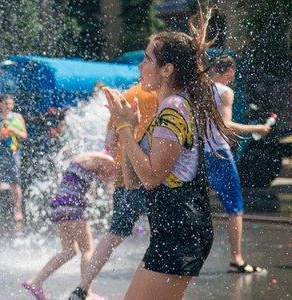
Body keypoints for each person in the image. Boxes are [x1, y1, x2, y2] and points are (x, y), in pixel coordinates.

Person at [104, 6, 227, 299]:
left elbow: (151, 178)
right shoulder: (171, 105)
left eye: (147, 59)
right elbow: (134, 182)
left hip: (181, 231)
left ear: (167, 69)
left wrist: (122, 128)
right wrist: (131, 130)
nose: (140, 66)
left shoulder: (174, 108)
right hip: (172, 231)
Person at [75, 84, 158, 299]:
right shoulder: (163, 94)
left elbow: (110, 143)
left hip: (123, 172)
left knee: (115, 233)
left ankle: (83, 287)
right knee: (164, 233)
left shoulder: (126, 96)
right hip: (151, 169)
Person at [21, 152, 117, 300]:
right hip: (73, 205)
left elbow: (107, 179)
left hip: (59, 206)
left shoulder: (84, 161)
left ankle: (35, 282)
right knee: (88, 249)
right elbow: (113, 175)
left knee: (69, 250)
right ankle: (87, 293)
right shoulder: (106, 158)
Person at [206, 55, 270, 273]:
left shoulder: (200, 88)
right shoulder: (225, 91)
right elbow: (225, 125)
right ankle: (237, 260)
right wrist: (257, 128)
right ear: (229, 73)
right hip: (219, 154)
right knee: (235, 207)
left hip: (199, 153)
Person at [0, 94, 27, 221]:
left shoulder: (17, 117)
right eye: (6, 104)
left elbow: (24, 135)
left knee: (14, 183)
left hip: (12, 153)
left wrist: (13, 129)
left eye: (10, 104)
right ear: (0, 105)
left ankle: (18, 211)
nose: (8, 106)